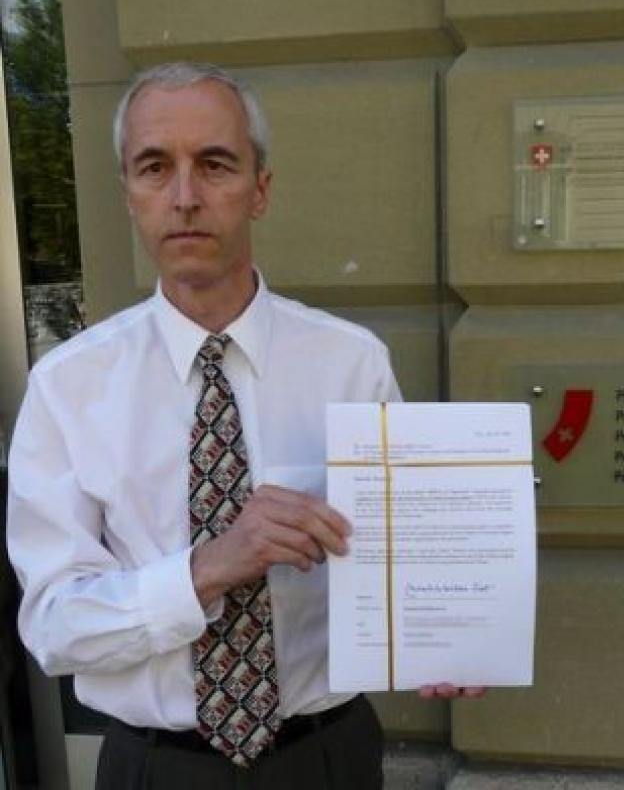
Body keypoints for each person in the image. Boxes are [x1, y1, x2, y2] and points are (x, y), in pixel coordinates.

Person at [7, 62, 481, 790]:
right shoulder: (69, 386)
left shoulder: (350, 363)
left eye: (216, 164)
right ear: (129, 194)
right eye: (155, 167)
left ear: (260, 188)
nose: (186, 197)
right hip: (154, 767)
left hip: (324, 757)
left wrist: (443, 638)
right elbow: (52, 626)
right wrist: (207, 568)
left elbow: (406, 556)